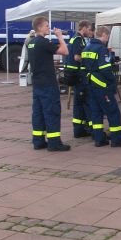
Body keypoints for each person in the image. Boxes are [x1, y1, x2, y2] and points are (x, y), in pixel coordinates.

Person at [27, 17, 71, 151]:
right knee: (52, 111)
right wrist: (60, 37)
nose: (49, 28)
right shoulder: (43, 42)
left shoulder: (31, 42)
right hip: (48, 83)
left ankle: (38, 141)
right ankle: (54, 143)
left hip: (37, 83)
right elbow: (65, 51)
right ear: (39, 27)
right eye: (47, 26)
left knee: (38, 113)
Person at [82, 25, 121, 148]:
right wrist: (113, 81)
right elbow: (105, 69)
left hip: (90, 84)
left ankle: (99, 139)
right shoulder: (101, 49)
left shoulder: (87, 48)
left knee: (96, 113)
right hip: (102, 85)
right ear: (104, 35)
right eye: (107, 36)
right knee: (113, 112)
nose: (107, 39)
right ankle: (116, 140)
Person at [66, 21, 93, 138]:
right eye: (89, 29)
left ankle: (79, 130)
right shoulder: (78, 39)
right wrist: (89, 61)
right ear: (84, 28)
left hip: (74, 75)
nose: (90, 31)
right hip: (78, 75)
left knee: (78, 103)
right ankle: (91, 128)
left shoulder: (74, 38)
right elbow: (77, 57)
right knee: (85, 102)